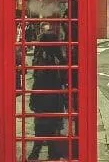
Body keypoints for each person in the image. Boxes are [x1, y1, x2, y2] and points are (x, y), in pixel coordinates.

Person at [28, 23, 67, 160]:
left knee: (40, 125)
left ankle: (36, 152)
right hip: (54, 97)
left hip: (41, 96)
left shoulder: (40, 57)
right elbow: (64, 79)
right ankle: (51, 153)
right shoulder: (59, 59)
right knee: (52, 125)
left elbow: (36, 77)